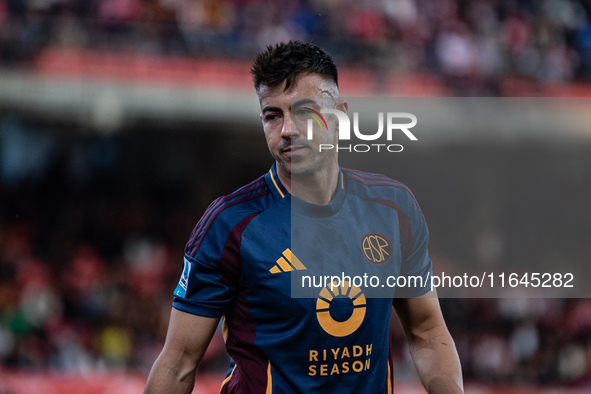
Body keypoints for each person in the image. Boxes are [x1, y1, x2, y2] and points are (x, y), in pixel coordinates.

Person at [144, 41, 463, 394]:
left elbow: (428, 333)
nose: (287, 131)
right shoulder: (228, 225)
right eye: (272, 115)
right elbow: (178, 364)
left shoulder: (394, 208)